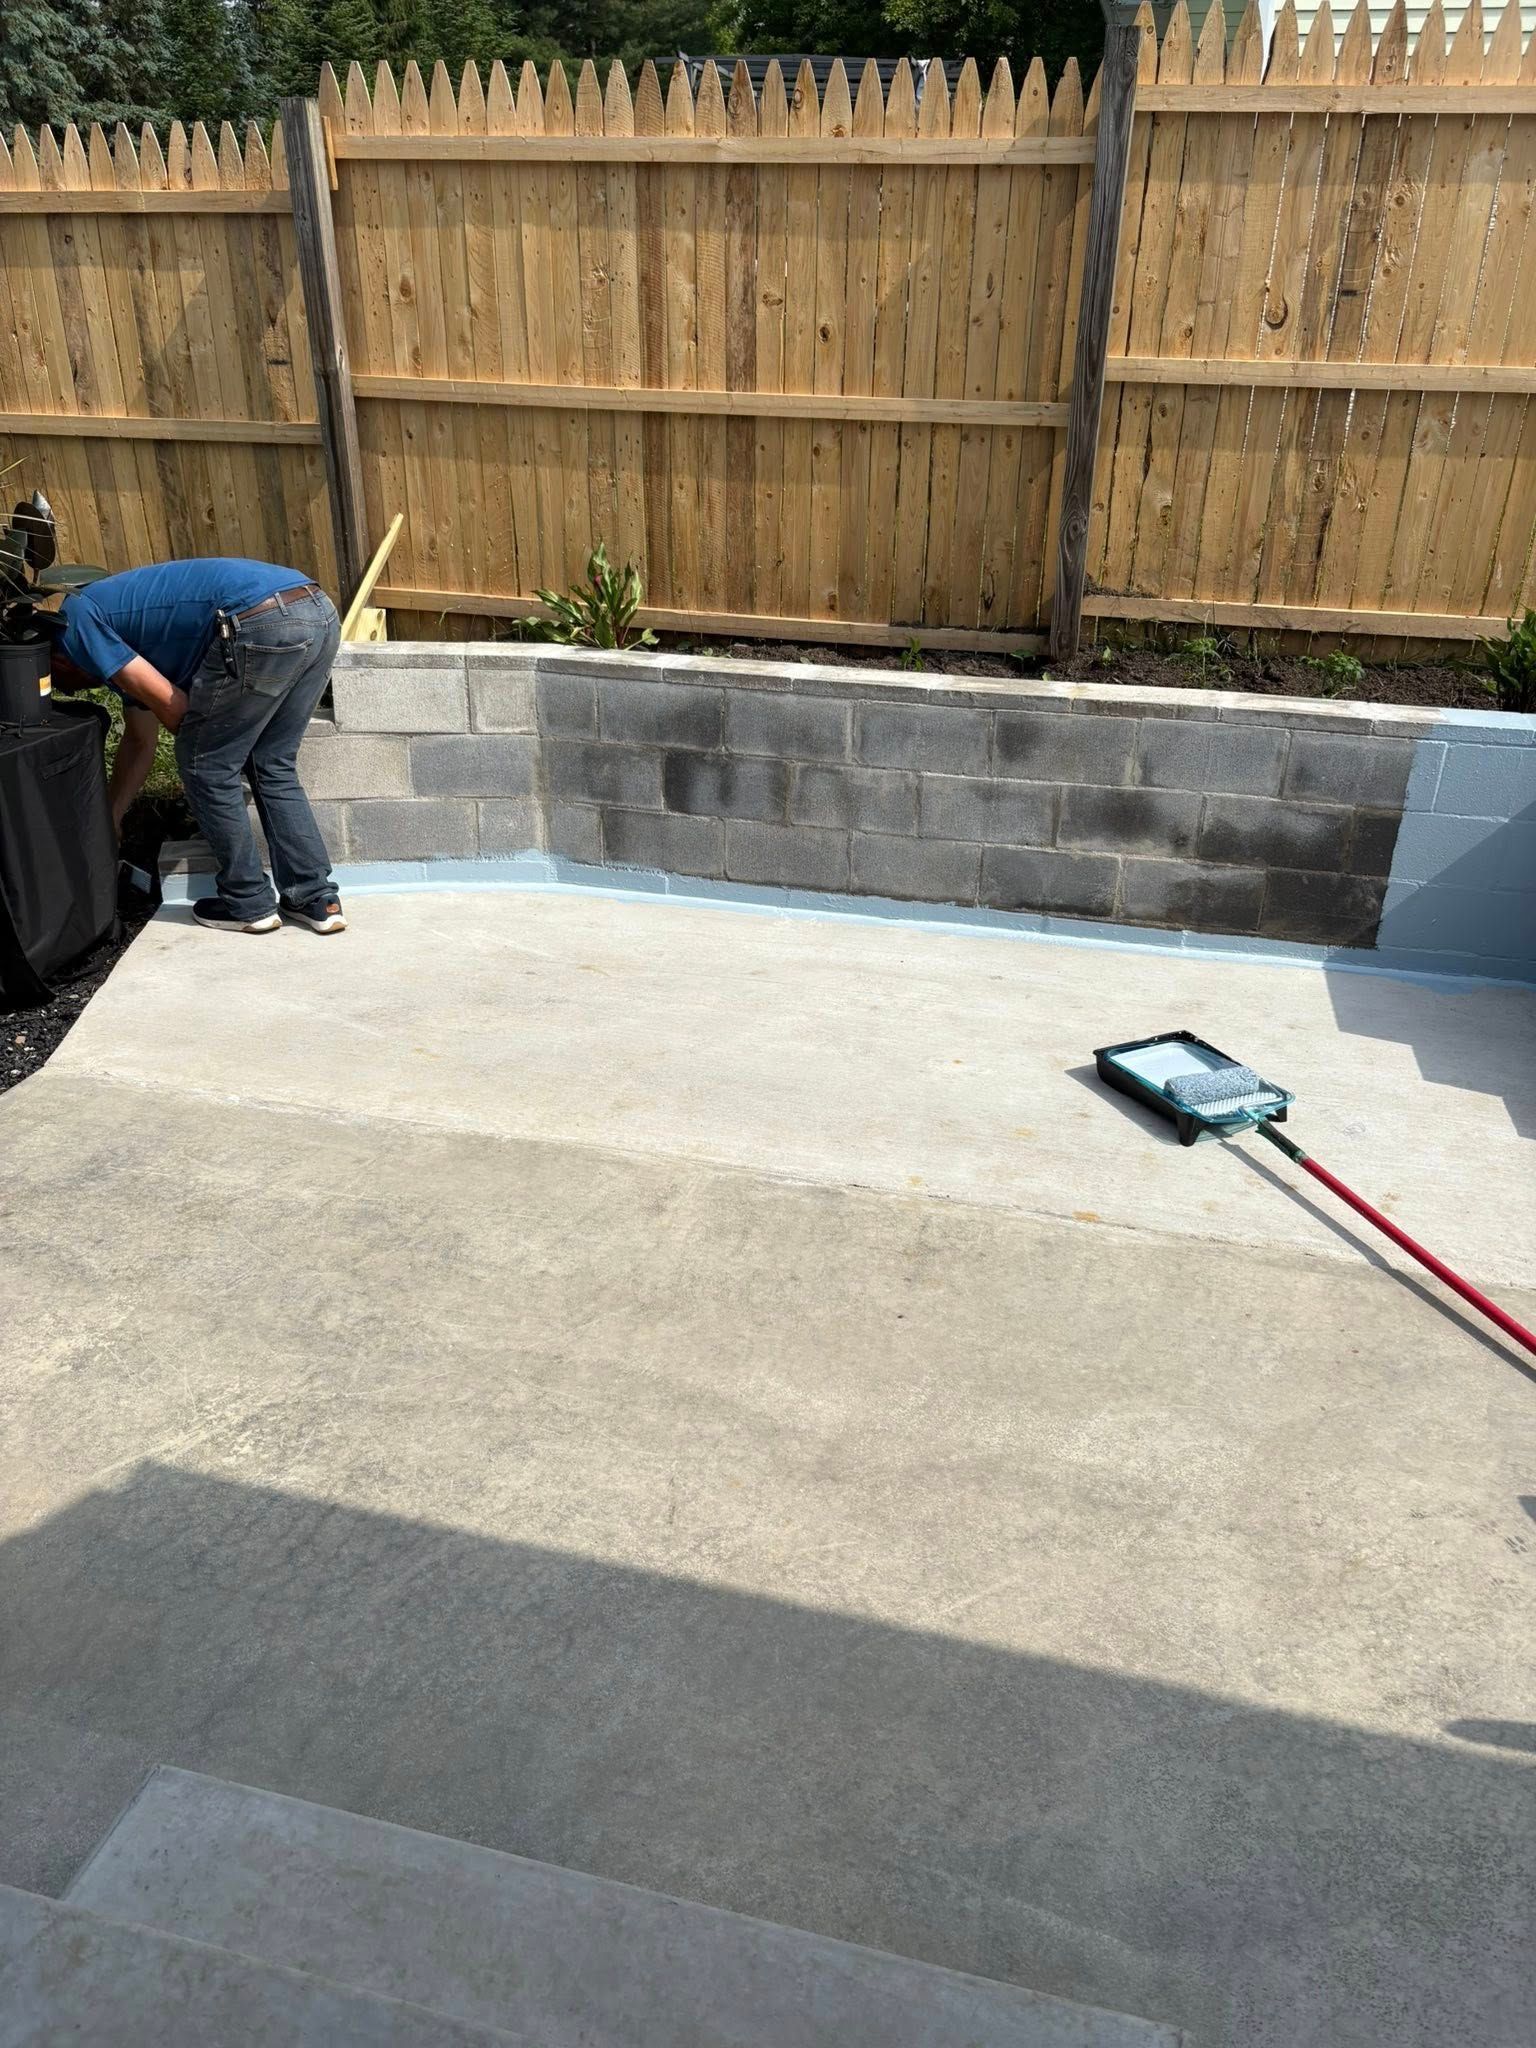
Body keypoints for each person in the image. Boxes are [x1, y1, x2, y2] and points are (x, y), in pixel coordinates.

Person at [51, 557, 346, 935]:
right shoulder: (128, 632)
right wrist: (112, 816)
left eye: (64, 681)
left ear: (55, 657)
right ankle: (317, 899)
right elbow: (141, 740)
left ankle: (248, 902)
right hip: (316, 609)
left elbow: (177, 714)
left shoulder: (75, 621)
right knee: (271, 762)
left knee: (206, 764)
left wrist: (211, 747)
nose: (74, 688)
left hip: (257, 619)